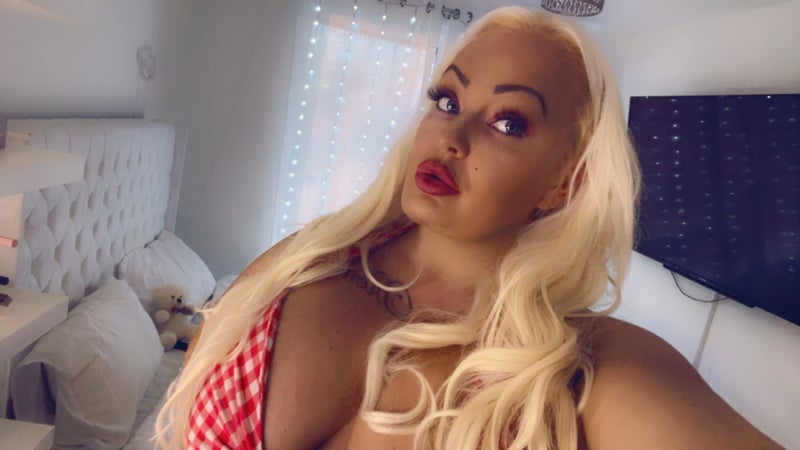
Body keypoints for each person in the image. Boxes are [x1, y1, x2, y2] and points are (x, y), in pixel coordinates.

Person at [156, 6, 782, 450]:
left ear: (564, 182)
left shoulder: (579, 370)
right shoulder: (308, 257)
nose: (451, 136)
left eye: (509, 123)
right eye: (448, 101)